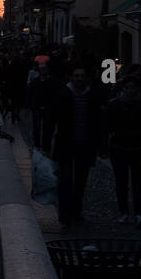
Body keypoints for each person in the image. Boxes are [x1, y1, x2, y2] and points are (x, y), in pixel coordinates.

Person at [50, 65, 108, 229]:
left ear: (86, 78)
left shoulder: (93, 96)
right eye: (76, 76)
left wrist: (102, 146)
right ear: (71, 77)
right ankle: (64, 214)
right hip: (66, 144)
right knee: (65, 180)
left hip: (85, 144)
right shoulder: (63, 94)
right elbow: (52, 117)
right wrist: (45, 142)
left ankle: (76, 211)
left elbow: (100, 122)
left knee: (81, 181)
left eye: (82, 75)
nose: (79, 79)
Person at [103, 76, 141, 226]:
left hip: (138, 147)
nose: (129, 90)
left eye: (132, 87)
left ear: (137, 89)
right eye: (127, 87)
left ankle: (139, 213)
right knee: (121, 181)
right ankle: (124, 212)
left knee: (138, 182)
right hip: (118, 147)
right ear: (123, 89)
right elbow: (107, 127)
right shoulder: (114, 106)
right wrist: (104, 147)